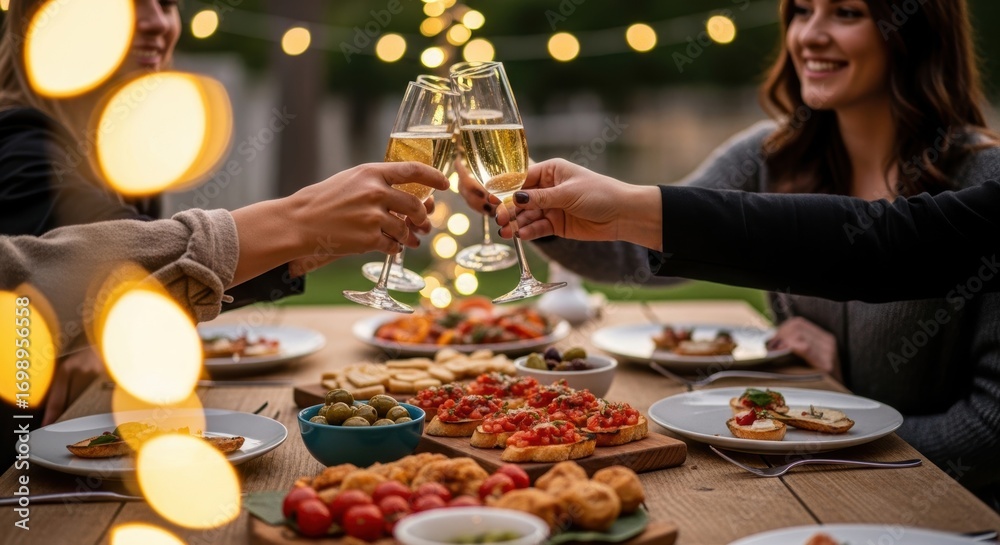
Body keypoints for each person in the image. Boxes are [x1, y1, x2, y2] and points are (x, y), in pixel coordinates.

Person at [479, 0, 1000, 506]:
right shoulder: (774, 154)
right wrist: (541, 216)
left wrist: (833, 416)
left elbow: (989, 430)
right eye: (800, 10)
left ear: (914, 30)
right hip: (798, 481)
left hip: (927, 507)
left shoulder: (982, 179)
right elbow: (636, 256)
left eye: (847, 12)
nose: (809, 34)